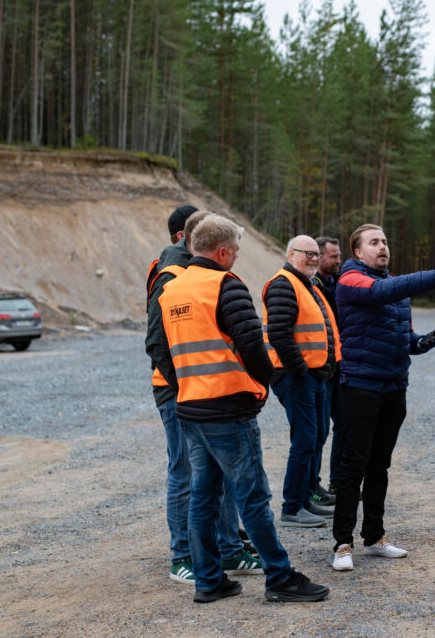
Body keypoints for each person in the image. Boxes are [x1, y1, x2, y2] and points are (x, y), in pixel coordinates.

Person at [151, 214, 330, 603]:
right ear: (222, 251)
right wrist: (262, 386)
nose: (236, 257)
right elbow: (253, 345)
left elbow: (162, 352)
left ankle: (209, 580)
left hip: (191, 407)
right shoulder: (224, 285)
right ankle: (280, 577)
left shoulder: (171, 290)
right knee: (252, 496)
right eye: (235, 250)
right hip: (229, 407)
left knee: (203, 496)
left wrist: (188, 388)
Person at [329, 223, 435, 572]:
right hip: (360, 387)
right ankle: (342, 544)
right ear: (358, 252)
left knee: (380, 465)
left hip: (394, 387)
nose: (383, 247)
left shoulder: (393, 286)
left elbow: (402, 335)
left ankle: (374, 537)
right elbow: (381, 293)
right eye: (374, 242)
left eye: (385, 241)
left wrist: (419, 343)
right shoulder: (352, 280)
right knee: (353, 466)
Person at [145, 207, 260, 586]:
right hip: (180, 393)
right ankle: (183, 556)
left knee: (219, 475)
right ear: (187, 237)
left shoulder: (199, 274)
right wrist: (187, 388)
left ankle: (228, 550)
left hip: (206, 392)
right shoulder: (171, 276)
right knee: (186, 473)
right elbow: (156, 343)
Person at [263, 235, 340, 528]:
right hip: (298, 376)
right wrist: (300, 370)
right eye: (307, 253)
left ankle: (307, 497)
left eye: (316, 254)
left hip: (314, 375)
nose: (313, 258)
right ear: (291, 254)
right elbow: (280, 334)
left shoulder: (308, 285)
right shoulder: (283, 283)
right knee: (305, 440)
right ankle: (292, 508)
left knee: (317, 435)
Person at [311, 236, 342, 501]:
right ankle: (313, 489)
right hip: (322, 369)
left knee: (342, 425)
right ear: (319, 257)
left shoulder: (336, 283)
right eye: (334, 256)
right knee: (318, 432)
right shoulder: (313, 286)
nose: (338, 261)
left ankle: (337, 483)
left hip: (338, 366)